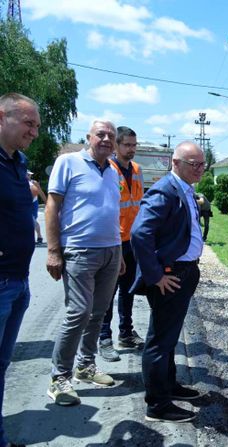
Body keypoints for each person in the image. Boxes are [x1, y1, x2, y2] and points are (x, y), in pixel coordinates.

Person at [45, 120, 123, 406]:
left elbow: (112, 212)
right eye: (100, 134)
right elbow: (53, 205)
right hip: (78, 250)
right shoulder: (68, 162)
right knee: (78, 312)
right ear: (88, 137)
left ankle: (85, 366)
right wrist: (53, 250)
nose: (106, 139)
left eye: (110, 136)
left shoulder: (113, 171)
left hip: (111, 251)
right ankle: (59, 378)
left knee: (99, 312)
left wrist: (120, 253)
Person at [130, 141, 205, 423]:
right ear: (175, 163)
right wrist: (155, 275)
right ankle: (158, 405)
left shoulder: (185, 189)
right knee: (160, 340)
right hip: (170, 276)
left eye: (202, 164)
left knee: (169, 336)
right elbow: (140, 234)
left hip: (185, 272)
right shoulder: (165, 189)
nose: (199, 169)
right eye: (193, 164)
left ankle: (169, 386)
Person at [0, 93, 40, 447]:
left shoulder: (18, 162)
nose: (35, 132)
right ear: (2, 116)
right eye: (29, 123)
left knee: (1, 366)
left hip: (19, 281)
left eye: (37, 125)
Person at [98, 126, 145, 363]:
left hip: (133, 242)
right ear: (116, 146)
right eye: (127, 145)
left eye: (134, 145)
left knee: (129, 290)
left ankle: (125, 333)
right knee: (109, 291)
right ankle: (104, 337)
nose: (131, 149)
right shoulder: (108, 169)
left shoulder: (136, 170)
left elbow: (138, 205)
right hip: (114, 242)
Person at [27, 171, 46, 245]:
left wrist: (46, 202)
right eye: (28, 175)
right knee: (30, 220)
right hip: (25, 203)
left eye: (30, 175)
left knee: (33, 220)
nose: (29, 176)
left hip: (33, 203)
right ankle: (36, 237)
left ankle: (39, 236)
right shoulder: (19, 181)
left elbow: (40, 192)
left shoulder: (34, 182)